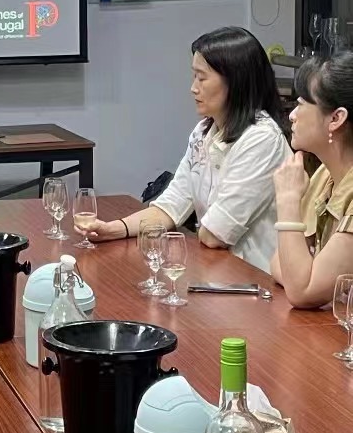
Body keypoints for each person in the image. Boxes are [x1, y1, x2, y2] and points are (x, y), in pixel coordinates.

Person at [79, 27, 287, 272]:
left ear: (236, 81)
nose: (193, 88)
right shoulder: (204, 131)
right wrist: (113, 229)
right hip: (216, 270)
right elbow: (170, 207)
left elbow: (215, 235)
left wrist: (199, 230)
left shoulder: (262, 139)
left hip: (256, 278)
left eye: (202, 78)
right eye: (194, 76)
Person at [272, 51, 353, 307]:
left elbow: (302, 290)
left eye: (302, 104)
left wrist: (288, 199)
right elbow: (279, 262)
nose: (292, 115)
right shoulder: (325, 174)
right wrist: (300, 274)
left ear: (336, 118)